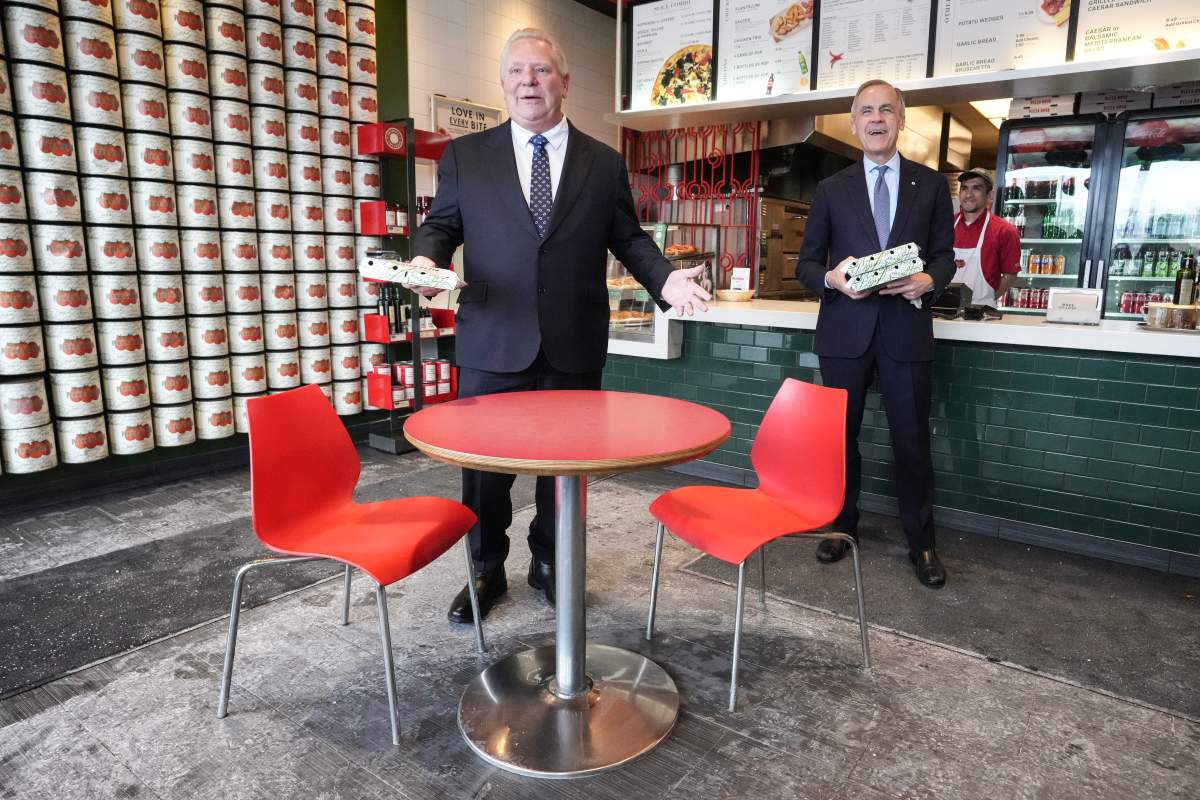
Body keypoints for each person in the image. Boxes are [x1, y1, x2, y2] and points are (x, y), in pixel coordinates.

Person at [409, 28, 711, 623]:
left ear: (564, 83)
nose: (529, 81)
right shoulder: (467, 157)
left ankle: (550, 562)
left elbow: (628, 237)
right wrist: (427, 258)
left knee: (565, 471)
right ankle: (484, 567)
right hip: (493, 339)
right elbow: (441, 226)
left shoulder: (604, 163)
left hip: (572, 342)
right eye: (518, 71)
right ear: (503, 83)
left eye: (542, 71)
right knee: (484, 472)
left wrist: (665, 281)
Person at [795, 79, 956, 588]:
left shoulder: (930, 185)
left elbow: (945, 257)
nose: (877, 118)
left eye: (886, 109)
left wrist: (930, 279)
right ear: (855, 121)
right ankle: (842, 526)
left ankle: (922, 542)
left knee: (912, 442)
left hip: (906, 329)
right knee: (840, 441)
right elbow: (806, 264)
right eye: (866, 111)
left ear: (901, 119)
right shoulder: (830, 189)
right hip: (845, 331)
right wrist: (832, 279)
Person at [954, 168, 1020, 308]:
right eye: (964, 188)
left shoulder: (1005, 231)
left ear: (989, 195)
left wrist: (987, 298)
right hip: (941, 312)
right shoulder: (943, 226)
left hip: (980, 314)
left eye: (976, 188)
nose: (969, 194)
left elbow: (1010, 274)